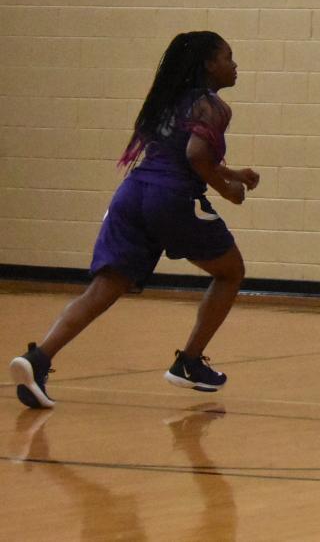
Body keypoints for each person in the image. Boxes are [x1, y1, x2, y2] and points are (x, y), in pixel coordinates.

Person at [11, 32, 256, 409]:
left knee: (105, 286)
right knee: (231, 271)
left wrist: (231, 172)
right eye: (228, 56)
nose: (235, 64)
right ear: (209, 65)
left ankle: (38, 359)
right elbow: (194, 156)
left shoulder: (167, 100)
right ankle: (189, 362)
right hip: (170, 198)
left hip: (133, 193)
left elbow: (178, 152)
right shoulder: (213, 106)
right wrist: (227, 190)